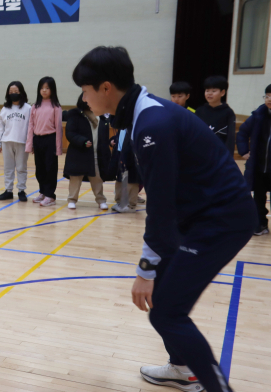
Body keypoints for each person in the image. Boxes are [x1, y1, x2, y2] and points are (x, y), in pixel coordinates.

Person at [73, 46, 255, 392]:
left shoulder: (152, 124)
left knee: (167, 311)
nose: (83, 99)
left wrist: (145, 269)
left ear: (106, 88)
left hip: (221, 220)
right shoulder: (142, 112)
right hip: (197, 215)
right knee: (164, 300)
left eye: (85, 91)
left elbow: (160, 206)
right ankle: (182, 367)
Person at [64, 94, 111, 210]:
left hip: (96, 155)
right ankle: (72, 200)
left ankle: (101, 200)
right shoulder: (76, 115)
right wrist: (83, 141)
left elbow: (104, 136)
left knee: (97, 179)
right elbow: (70, 133)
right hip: (79, 153)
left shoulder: (102, 117)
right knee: (75, 178)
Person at [236, 83, 271, 236]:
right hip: (259, 166)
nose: (269, 99)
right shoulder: (259, 116)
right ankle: (260, 224)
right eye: (267, 96)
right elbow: (243, 132)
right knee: (258, 197)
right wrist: (244, 151)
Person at [26, 76, 63, 207]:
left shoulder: (56, 107)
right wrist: (29, 145)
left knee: (50, 168)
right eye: (42, 88)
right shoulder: (35, 106)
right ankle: (42, 191)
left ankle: (50, 195)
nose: (44, 90)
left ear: (52, 90)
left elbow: (59, 128)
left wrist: (58, 147)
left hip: (50, 139)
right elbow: (31, 126)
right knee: (40, 168)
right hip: (38, 139)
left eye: (47, 88)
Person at [0, 81, 31, 202]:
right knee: (8, 168)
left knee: (21, 168)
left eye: (16, 91)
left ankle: (21, 190)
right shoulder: (5, 109)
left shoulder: (28, 108)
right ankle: (8, 190)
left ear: (21, 92)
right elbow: (1, 126)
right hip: (7, 141)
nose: (13, 94)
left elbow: (31, 127)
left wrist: (30, 142)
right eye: (11, 92)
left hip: (22, 142)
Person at [195, 76, 236, 156]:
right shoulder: (200, 111)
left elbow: (230, 138)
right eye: (207, 90)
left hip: (219, 153)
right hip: (200, 152)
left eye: (214, 91)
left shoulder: (228, 112)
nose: (209, 93)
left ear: (222, 92)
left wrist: (229, 157)